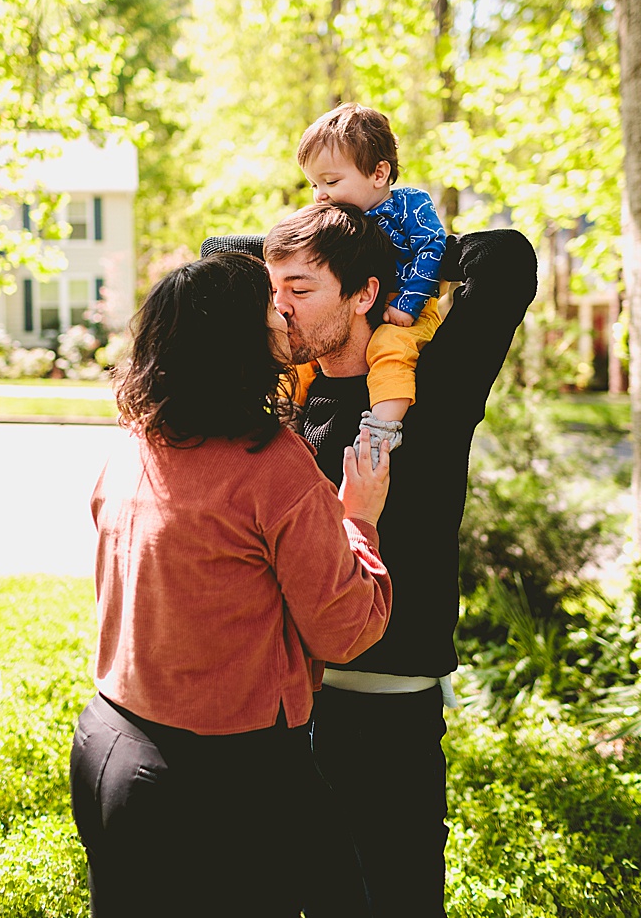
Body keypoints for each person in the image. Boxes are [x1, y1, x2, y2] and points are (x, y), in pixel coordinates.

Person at [206, 204, 536, 915]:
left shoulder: (433, 388)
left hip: (389, 711)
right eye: (273, 290)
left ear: (364, 293)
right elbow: (213, 253)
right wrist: (327, 229)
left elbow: (507, 258)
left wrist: (395, 250)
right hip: (287, 706)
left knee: (396, 899)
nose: (280, 309)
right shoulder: (284, 396)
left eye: (301, 289)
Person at [68, 250, 394, 917]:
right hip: (229, 777)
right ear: (238, 340)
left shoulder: (129, 447)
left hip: (108, 747)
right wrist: (359, 518)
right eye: (268, 303)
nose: (283, 310)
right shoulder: (272, 466)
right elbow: (346, 627)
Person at [292, 102, 448, 465]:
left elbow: (432, 248)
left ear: (379, 173)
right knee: (300, 353)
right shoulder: (338, 220)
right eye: (314, 184)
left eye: (331, 181)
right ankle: (284, 411)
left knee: (389, 348)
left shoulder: (409, 205)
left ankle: (382, 430)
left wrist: (406, 304)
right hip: (365, 309)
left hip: (405, 307)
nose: (320, 194)